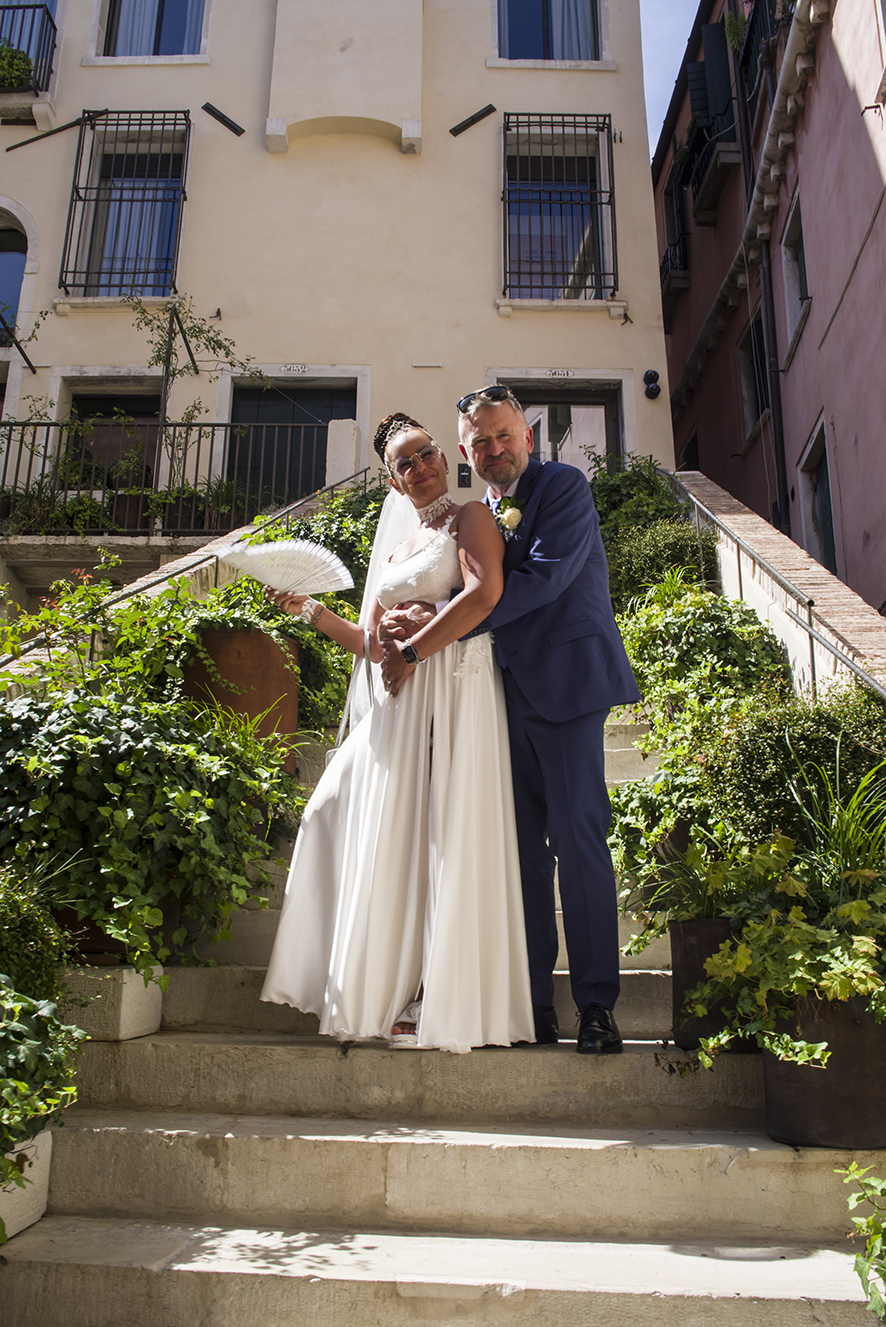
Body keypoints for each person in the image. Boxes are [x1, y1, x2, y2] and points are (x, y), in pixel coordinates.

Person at [260, 413, 535, 1053]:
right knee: (331, 810)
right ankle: (362, 979)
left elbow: (484, 593)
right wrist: (313, 611)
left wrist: (417, 636)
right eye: (404, 464)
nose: (419, 468)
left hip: (446, 685)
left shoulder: (471, 518)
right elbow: (366, 643)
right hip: (396, 700)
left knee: (442, 828)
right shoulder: (396, 548)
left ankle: (437, 993)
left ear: (444, 455)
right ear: (392, 480)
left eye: (426, 454)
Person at [381, 387, 640, 1054]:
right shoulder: (483, 510)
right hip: (501, 696)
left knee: (580, 845)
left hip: (567, 686)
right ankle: (532, 1005)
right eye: (481, 442)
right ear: (467, 453)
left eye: (504, 436)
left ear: (526, 434)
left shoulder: (563, 487)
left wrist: (438, 630)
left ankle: (596, 1006)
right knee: (522, 856)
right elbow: (471, 586)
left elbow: (545, 579)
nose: (494, 449)